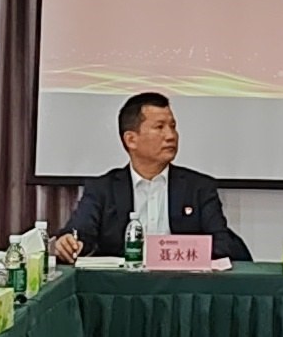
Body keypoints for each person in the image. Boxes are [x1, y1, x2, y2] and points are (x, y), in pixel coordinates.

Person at [53, 91, 252, 264]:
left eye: (173, 126)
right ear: (131, 139)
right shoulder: (102, 190)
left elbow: (221, 244)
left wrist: (167, 253)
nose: (171, 135)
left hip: (184, 285)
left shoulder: (199, 188)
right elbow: (79, 234)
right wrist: (68, 242)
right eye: (160, 127)